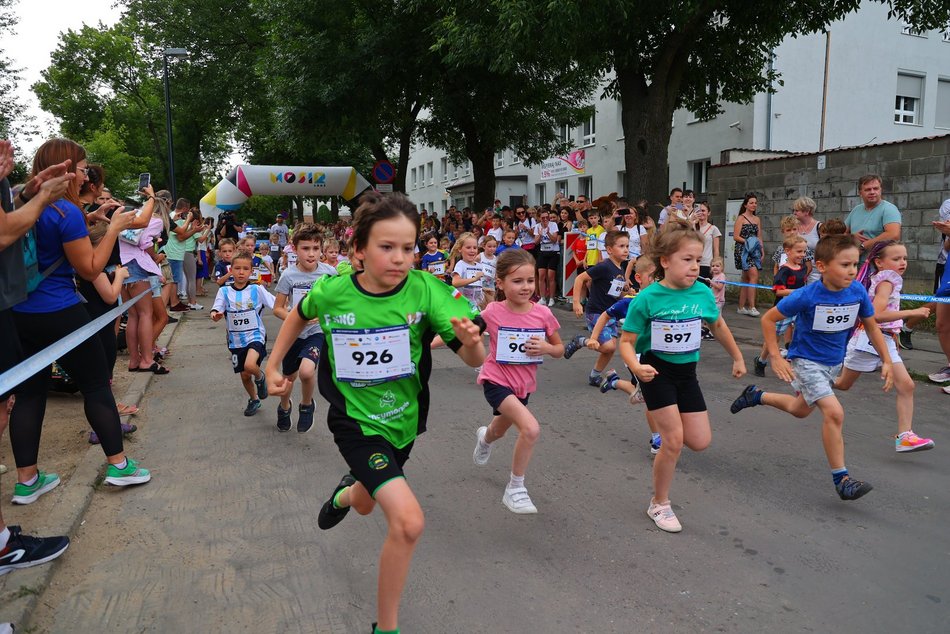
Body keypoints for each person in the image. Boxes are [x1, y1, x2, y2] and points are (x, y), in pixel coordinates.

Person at [265, 192, 484, 634]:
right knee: (407, 521)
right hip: (355, 422)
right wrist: (273, 364)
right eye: (387, 247)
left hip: (403, 421)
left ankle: (346, 494)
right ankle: (386, 628)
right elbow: (299, 315)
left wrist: (473, 341)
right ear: (357, 251)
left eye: (408, 247)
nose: (400, 258)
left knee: (366, 503)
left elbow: (473, 360)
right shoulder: (334, 290)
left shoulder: (427, 290)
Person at [10, 138, 151, 505]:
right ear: (68, 169)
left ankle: (27, 480)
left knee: (29, 394)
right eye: (84, 167)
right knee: (95, 386)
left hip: (19, 313)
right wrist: (115, 228)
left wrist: (89, 220)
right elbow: (89, 268)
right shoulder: (65, 212)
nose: (87, 174)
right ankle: (119, 466)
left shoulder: (18, 205)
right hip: (60, 311)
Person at [730, 234, 893, 501]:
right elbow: (769, 319)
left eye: (855, 264)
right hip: (806, 362)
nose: (852, 270)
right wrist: (775, 356)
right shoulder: (807, 295)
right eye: (844, 265)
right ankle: (842, 479)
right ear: (822, 266)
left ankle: (756, 395)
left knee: (799, 410)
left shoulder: (857, 291)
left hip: (832, 363)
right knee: (834, 413)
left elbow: (871, 325)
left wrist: (885, 359)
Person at [618, 223, 745, 532]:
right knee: (672, 441)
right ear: (665, 261)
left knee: (699, 442)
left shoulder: (702, 292)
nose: (694, 266)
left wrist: (738, 356)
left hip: (687, 374)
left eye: (697, 259)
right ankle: (659, 504)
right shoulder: (647, 299)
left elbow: (718, 326)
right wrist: (635, 368)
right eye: (686, 259)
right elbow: (625, 342)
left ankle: (646, 400)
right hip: (655, 372)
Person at [0, 138, 72, 575]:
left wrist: (25, 193)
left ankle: (4, 540)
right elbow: (5, 232)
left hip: (10, 305)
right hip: (21, 305)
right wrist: (43, 198)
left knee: (15, 400)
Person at [471, 249, 564, 513]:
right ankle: (515, 488)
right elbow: (465, 334)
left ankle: (484, 438)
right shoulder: (492, 312)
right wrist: (422, 345)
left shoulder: (543, 313)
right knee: (531, 428)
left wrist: (546, 348)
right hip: (495, 380)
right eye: (517, 281)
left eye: (530, 280)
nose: (526, 287)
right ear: (500, 283)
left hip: (523, 386)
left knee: (498, 431)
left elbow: (559, 350)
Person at [835, 239, 935, 449]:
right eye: (896, 258)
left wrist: (895, 337)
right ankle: (810, 380)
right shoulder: (886, 282)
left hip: (885, 338)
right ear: (879, 263)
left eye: (905, 258)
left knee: (906, 385)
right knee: (843, 384)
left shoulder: (889, 280)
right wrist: (912, 312)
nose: (903, 262)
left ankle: (905, 437)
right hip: (870, 340)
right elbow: (875, 315)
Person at [272, 225, 337, 432]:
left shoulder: (329, 273)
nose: (311, 254)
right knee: (288, 378)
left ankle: (307, 405)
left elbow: (338, 303)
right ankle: (284, 407)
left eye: (316, 248)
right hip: (293, 334)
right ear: (294, 249)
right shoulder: (288, 275)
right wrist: (297, 317)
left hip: (317, 333)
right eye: (305, 248)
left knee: (307, 372)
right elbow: (277, 308)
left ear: (321, 250)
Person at [591, 258, 660, 451]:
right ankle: (657, 439)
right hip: (637, 357)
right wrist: (594, 337)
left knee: (642, 394)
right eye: (653, 278)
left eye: (660, 278)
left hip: (662, 357)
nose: (657, 282)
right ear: (639, 278)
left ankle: (613, 381)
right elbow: (605, 315)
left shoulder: (666, 300)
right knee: (651, 398)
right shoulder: (631, 302)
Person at [210, 250, 275, 416]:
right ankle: (254, 399)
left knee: (250, 365)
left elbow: (276, 304)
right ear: (230, 270)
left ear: (251, 271)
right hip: (235, 340)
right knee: (245, 376)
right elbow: (217, 308)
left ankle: (260, 378)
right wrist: (215, 314)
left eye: (245, 269)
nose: (241, 272)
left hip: (255, 336)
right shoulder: (224, 291)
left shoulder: (257, 289)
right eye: (237, 268)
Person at [565, 231, 630, 387]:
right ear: (609, 250)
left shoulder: (619, 269)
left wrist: (627, 293)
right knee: (609, 346)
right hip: (596, 312)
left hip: (610, 314)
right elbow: (580, 278)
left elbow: (614, 292)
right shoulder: (604, 266)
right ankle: (581, 341)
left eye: (627, 246)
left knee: (610, 349)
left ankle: (595, 376)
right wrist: (576, 302)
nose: (626, 249)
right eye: (621, 246)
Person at [753, 236, 809, 377]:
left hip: (798, 308)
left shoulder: (802, 268)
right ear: (788, 251)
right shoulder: (783, 271)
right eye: (799, 251)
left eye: (804, 251)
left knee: (801, 333)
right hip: (782, 309)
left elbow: (803, 285)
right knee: (774, 338)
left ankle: (796, 363)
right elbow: (778, 291)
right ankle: (761, 360)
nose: (802, 255)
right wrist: (797, 292)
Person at [898, 198, 950, 351]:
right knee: (940, 302)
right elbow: (947, 245)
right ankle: (907, 326)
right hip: (947, 264)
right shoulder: (948, 205)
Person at [845, 174, 901, 261]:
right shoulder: (856, 210)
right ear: (860, 193)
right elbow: (841, 234)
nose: (872, 192)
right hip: (855, 264)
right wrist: (851, 237)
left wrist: (863, 246)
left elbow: (893, 235)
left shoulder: (889, 209)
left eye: (876, 188)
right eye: (867, 189)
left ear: (880, 190)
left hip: (877, 266)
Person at [732, 193, 763, 316]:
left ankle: (741, 307)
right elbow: (735, 236)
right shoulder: (741, 218)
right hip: (743, 250)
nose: (754, 205)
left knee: (746, 278)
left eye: (755, 203)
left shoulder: (757, 219)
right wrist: (748, 242)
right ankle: (751, 307)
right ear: (745, 204)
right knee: (753, 275)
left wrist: (761, 249)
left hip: (754, 251)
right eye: (751, 202)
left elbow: (759, 236)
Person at [792, 196, 822, 284]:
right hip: (797, 271)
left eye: (797, 210)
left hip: (816, 273)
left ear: (807, 211)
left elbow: (826, 250)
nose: (794, 213)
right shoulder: (794, 227)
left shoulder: (819, 227)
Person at [451, 232, 484, 309]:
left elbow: (479, 286)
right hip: (462, 306)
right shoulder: (460, 265)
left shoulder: (479, 266)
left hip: (476, 306)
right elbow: (455, 282)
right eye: (468, 247)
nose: (472, 250)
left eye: (475, 248)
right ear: (460, 249)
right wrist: (474, 279)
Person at [534, 208, 559, 306]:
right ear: (539, 218)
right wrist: (540, 235)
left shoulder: (553, 225)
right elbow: (535, 242)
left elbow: (554, 240)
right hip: (543, 252)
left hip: (553, 252)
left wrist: (548, 233)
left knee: (551, 276)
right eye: (542, 218)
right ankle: (543, 297)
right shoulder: (537, 226)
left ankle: (552, 298)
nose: (545, 219)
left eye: (546, 217)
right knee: (541, 275)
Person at [479, 236, 498, 304]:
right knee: (481, 302)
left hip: (490, 283)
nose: (492, 249)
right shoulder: (480, 256)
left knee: (491, 302)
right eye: (489, 246)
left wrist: (497, 279)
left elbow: (496, 271)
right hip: (480, 282)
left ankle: (491, 314)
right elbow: (473, 266)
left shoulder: (495, 259)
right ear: (484, 246)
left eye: (494, 246)